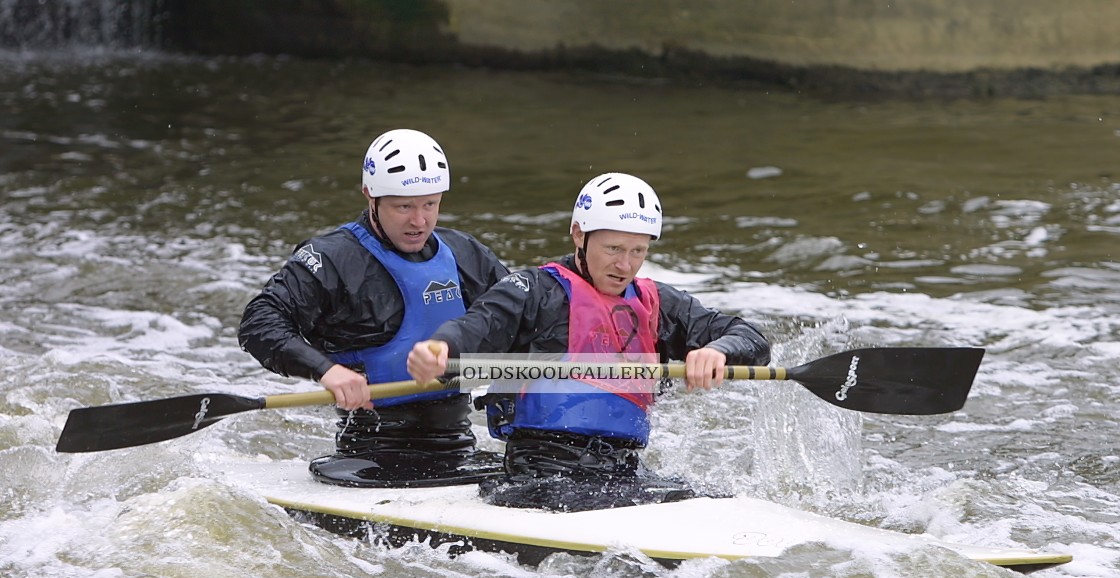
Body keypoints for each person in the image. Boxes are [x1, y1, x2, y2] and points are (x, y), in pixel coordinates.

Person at [406, 172, 771, 510]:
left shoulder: (657, 303)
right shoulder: (533, 292)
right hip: (542, 471)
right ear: (579, 235)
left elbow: (751, 338)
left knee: (712, 503)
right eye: (613, 249)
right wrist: (441, 348)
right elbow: (477, 326)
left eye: (637, 252)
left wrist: (716, 350)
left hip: (623, 471)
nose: (625, 265)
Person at [238, 129, 510, 487]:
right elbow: (259, 322)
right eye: (403, 206)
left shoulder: (464, 253)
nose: (419, 221)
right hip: (369, 453)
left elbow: (529, 320)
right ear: (371, 195)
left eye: (430, 204)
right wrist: (326, 371)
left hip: (457, 447)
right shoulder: (332, 259)